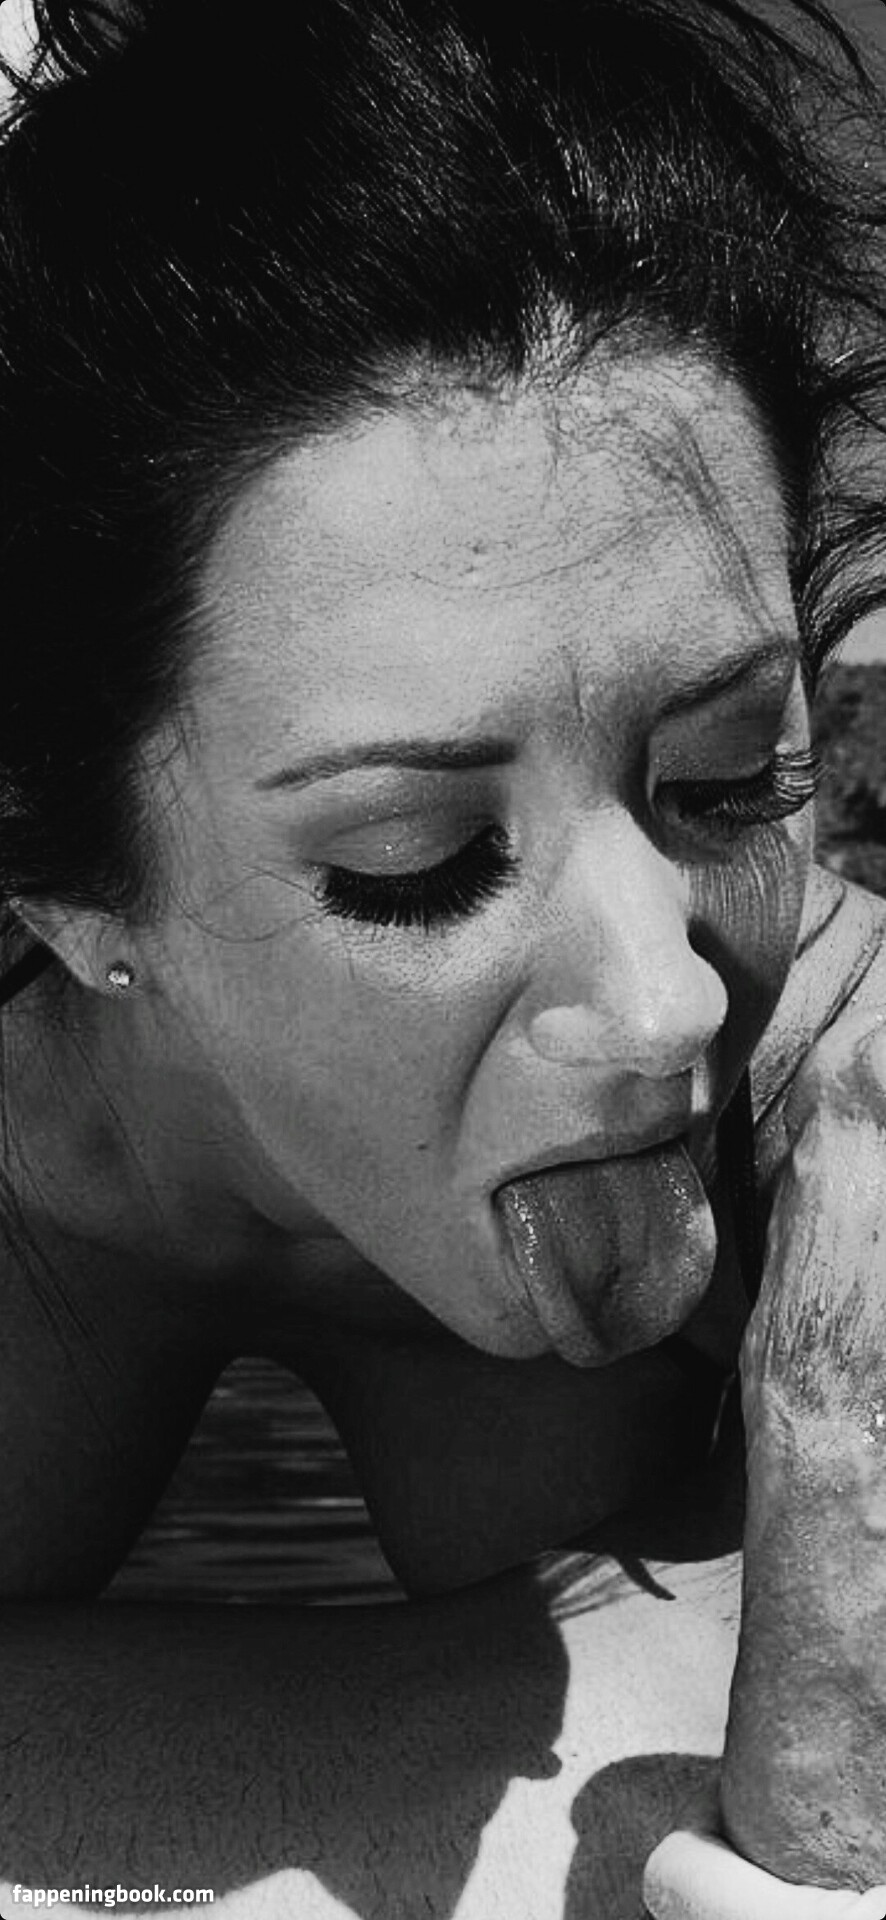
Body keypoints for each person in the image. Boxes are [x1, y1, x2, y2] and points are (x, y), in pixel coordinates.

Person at [1, 0, 886, 1912]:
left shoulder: (835, 1041)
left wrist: (844, 1379)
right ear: (70, 890)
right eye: (417, 861)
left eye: (723, 778)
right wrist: (676, 1663)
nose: (666, 999)